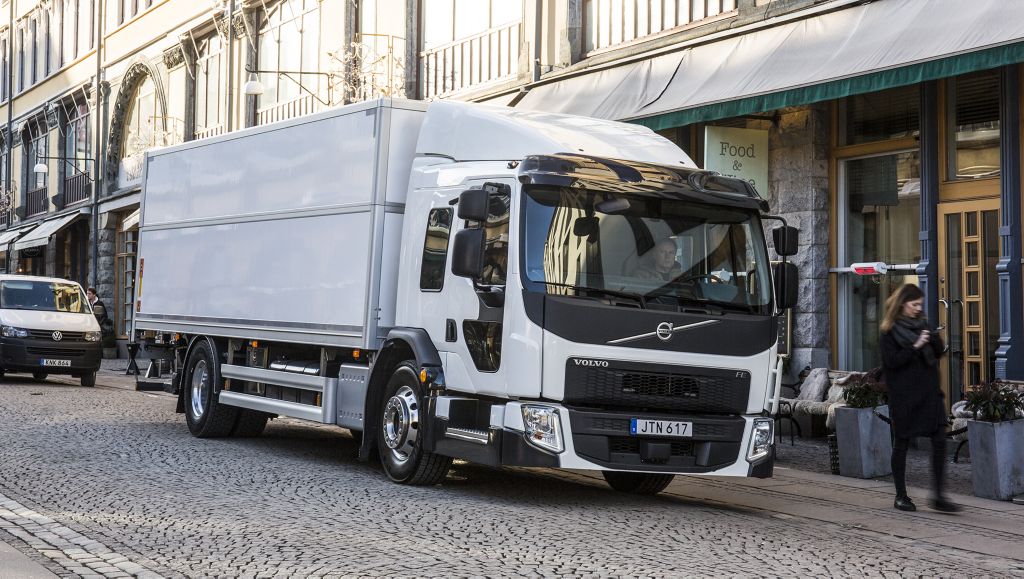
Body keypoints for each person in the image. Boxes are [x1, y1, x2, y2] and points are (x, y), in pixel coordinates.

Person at [879, 283, 960, 513]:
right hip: (905, 396)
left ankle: (939, 496)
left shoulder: (922, 325)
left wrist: (934, 340)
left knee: (939, 441)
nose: (918, 308)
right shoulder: (889, 332)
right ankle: (901, 495)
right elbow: (892, 363)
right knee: (902, 443)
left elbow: (936, 352)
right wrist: (916, 345)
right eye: (914, 305)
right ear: (902, 304)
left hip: (930, 394)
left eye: (920, 305)